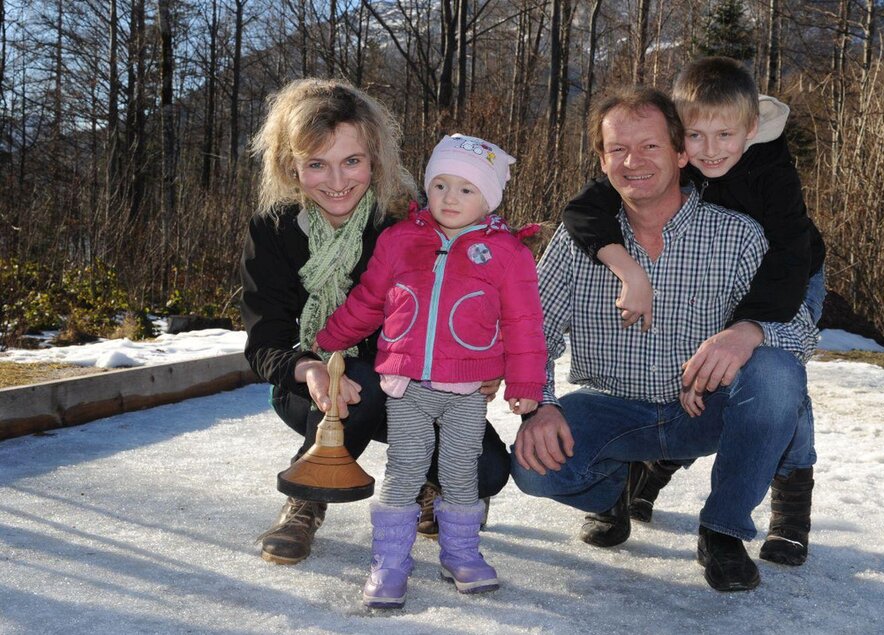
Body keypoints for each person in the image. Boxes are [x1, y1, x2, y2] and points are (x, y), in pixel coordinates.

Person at [511, 87, 817, 592]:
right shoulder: (578, 242)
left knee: (778, 374)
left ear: (681, 153)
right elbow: (532, 331)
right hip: (611, 410)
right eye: (618, 150)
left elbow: (802, 331)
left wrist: (746, 333)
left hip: (702, 410)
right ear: (602, 160)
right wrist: (538, 407)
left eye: (651, 146)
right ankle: (611, 492)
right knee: (535, 468)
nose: (634, 162)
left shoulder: (736, 235)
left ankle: (722, 531)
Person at [239, 79, 511, 567]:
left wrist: (488, 357)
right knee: (356, 379)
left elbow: (478, 292)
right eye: (316, 163)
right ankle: (308, 495)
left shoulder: (407, 221)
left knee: (487, 469)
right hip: (311, 387)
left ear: (375, 160)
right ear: (291, 165)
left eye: (352, 161)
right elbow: (265, 338)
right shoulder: (273, 228)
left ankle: (431, 484)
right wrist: (308, 368)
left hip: (414, 384)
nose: (337, 180)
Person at [315, 133, 546, 608]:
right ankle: (390, 561)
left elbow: (524, 325)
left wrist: (525, 384)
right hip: (407, 386)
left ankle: (460, 553)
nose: (450, 198)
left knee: (461, 471)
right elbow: (369, 299)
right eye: (440, 185)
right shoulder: (401, 240)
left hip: (465, 388)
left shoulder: (507, 253)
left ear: (489, 198)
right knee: (404, 470)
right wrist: (329, 337)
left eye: (466, 189)